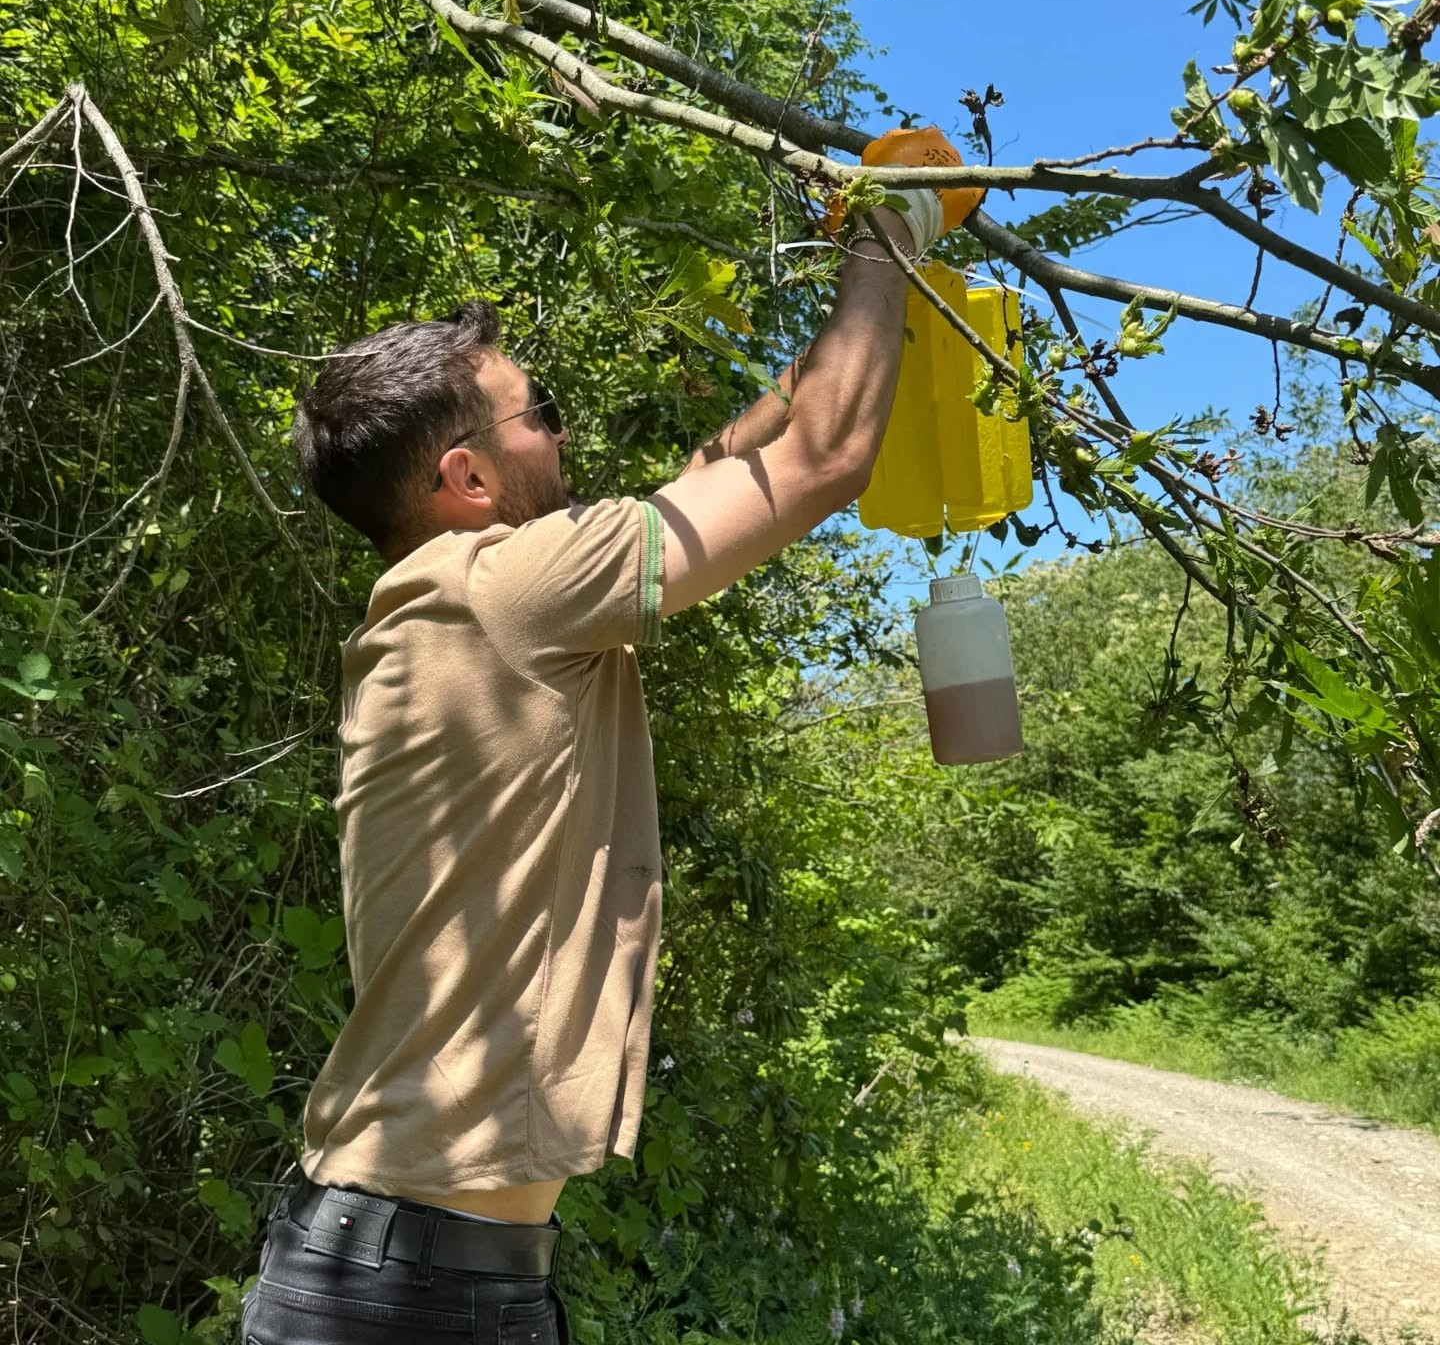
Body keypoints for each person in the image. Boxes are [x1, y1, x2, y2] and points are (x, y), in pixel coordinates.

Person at [240, 139, 978, 1344]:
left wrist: (874, 324)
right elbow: (823, 464)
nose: (564, 439)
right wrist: (886, 234)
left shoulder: (452, 603)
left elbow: (720, 476)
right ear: (468, 476)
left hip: (408, 1265)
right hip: (417, 1287)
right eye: (546, 414)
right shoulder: (504, 588)